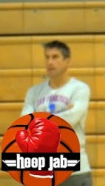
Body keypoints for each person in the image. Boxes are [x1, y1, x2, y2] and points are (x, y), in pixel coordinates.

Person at [21, 40, 92, 186]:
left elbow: (71, 118)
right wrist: (62, 114)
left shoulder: (80, 89)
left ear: (67, 61)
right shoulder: (34, 92)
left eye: (55, 57)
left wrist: (38, 120)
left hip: (75, 170)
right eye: (47, 57)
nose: (50, 62)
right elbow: (24, 123)